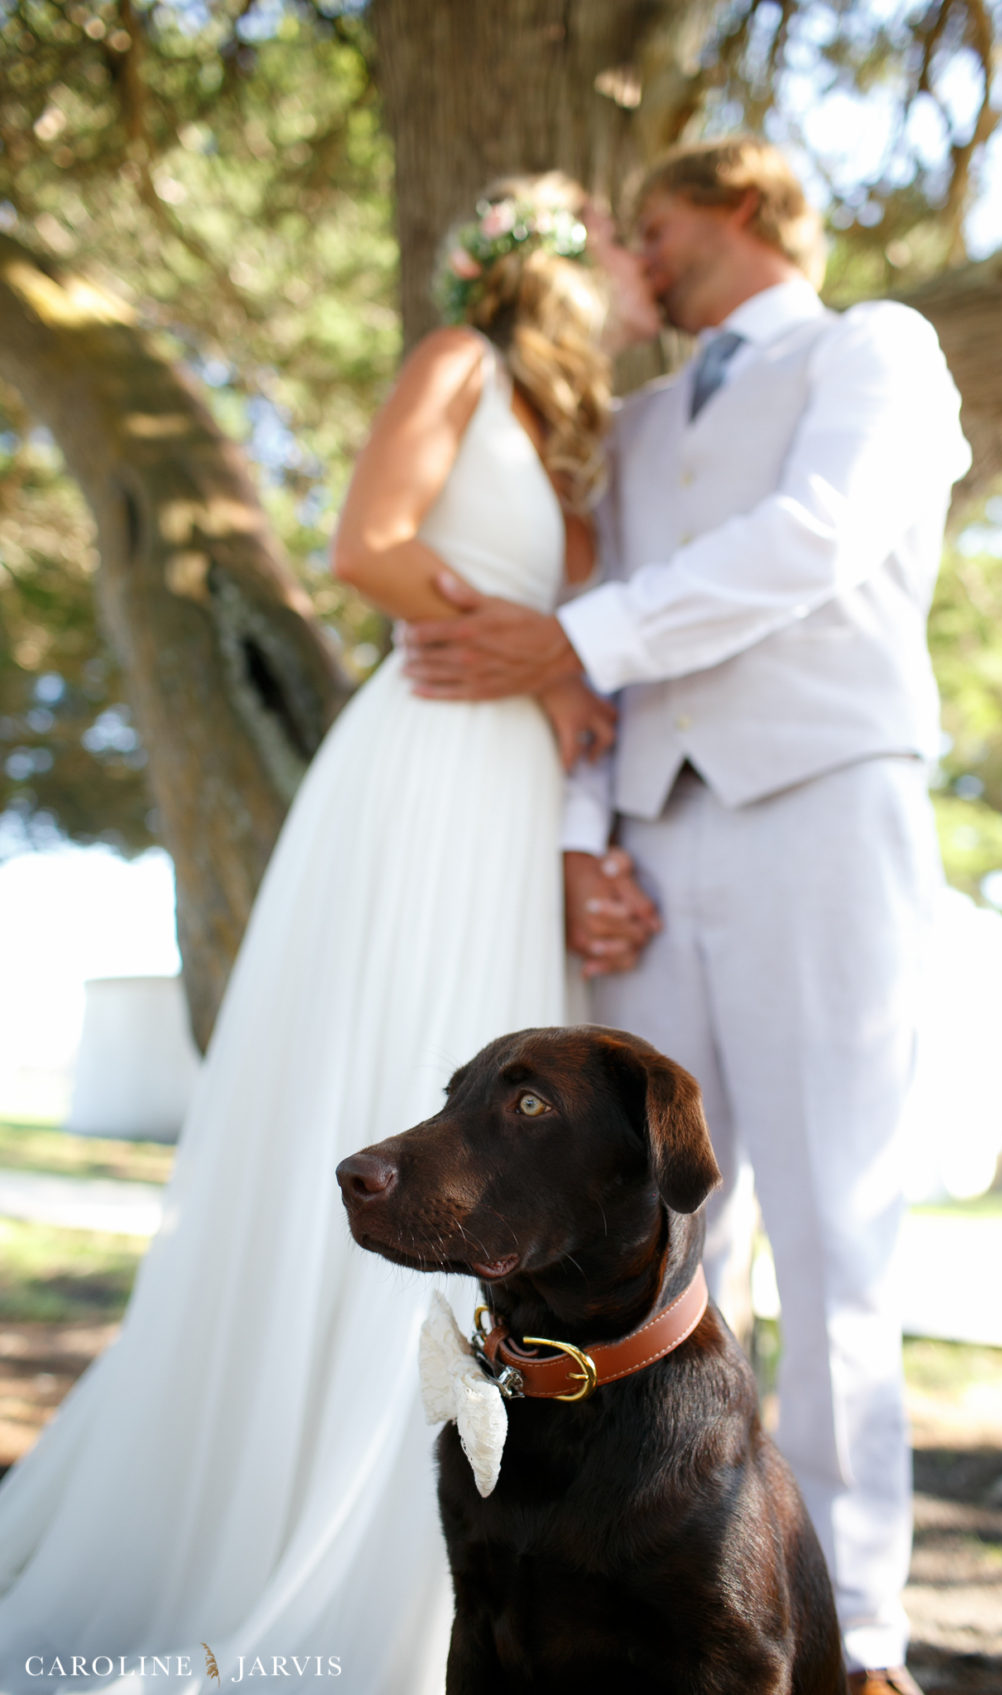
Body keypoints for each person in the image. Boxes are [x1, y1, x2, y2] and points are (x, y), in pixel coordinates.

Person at [0, 174, 653, 1695]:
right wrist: (543, 667)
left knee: (515, 1132)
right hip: (432, 757)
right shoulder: (458, 362)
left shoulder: (586, 434)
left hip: (520, 796)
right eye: (608, 239)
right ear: (541, 261)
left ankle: (488, 1543)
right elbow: (368, 542)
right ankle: (310, 1523)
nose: (630, 266)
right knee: (406, 1080)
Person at [400, 136, 972, 1695]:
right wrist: (584, 836)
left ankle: (859, 1627)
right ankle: (606, 1591)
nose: (623, 251)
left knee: (840, 1230)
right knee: (638, 1223)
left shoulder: (877, 349)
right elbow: (605, 678)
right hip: (649, 843)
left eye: (645, 225)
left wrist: (569, 631)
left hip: (825, 812)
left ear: (730, 210)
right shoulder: (639, 421)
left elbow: (815, 538)